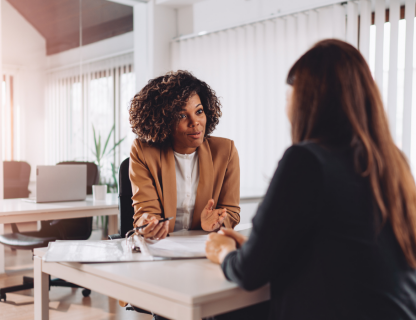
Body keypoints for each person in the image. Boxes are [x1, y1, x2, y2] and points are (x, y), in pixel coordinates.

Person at [205, 39, 416, 320]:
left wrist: (224, 253)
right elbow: (340, 248)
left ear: (307, 99)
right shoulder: (392, 161)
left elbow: (249, 272)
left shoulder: (307, 161)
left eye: (288, 95)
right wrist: (257, 247)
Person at [129, 70, 240, 239]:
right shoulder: (143, 151)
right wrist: (149, 222)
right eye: (182, 115)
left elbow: (231, 212)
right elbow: (145, 211)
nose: (194, 122)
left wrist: (218, 222)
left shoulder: (225, 151)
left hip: (204, 249)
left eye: (199, 111)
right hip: (162, 247)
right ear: (163, 121)